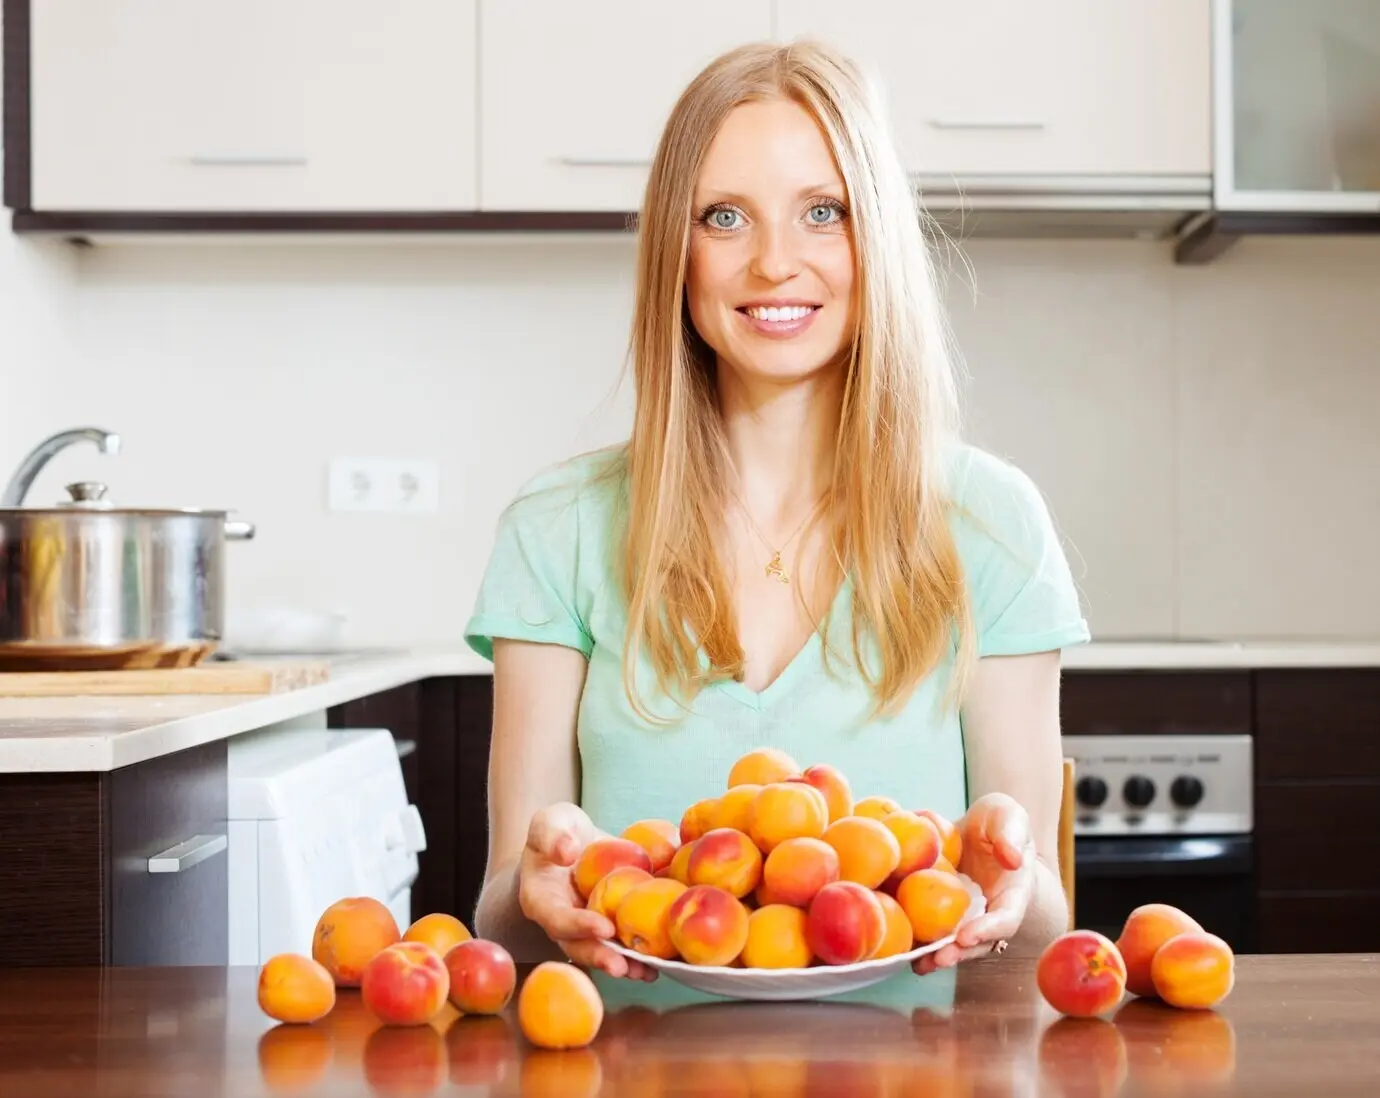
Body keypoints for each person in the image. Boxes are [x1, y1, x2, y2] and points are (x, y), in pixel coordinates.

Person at [463, 37, 1089, 982]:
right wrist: (532, 889)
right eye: (724, 217)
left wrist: (1010, 875)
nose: (773, 262)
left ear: (874, 236)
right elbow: (504, 918)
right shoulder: (557, 528)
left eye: (822, 213)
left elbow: (1039, 929)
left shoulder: (992, 523)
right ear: (676, 253)